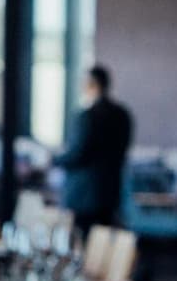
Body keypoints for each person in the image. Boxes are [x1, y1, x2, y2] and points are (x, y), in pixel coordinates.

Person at [54, 65, 134, 236]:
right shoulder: (123, 115)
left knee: (82, 245)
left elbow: (77, 154)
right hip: (111, 193)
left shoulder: (88, 116)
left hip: (83, 196)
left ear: (92, 85)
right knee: (101, 242)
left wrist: (53, 160)